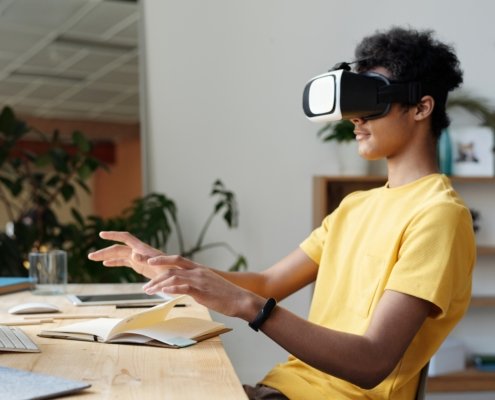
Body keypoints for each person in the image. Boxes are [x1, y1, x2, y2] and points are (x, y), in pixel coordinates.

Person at [88, 26, 475, 400]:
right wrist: (178, 272)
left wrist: (249, 308)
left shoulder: (438, 215)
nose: (355, 118)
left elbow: (373, 360)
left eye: (371, 101)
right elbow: (268, 282)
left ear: (422, 107)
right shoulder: (356, 206)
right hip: (279, 389)